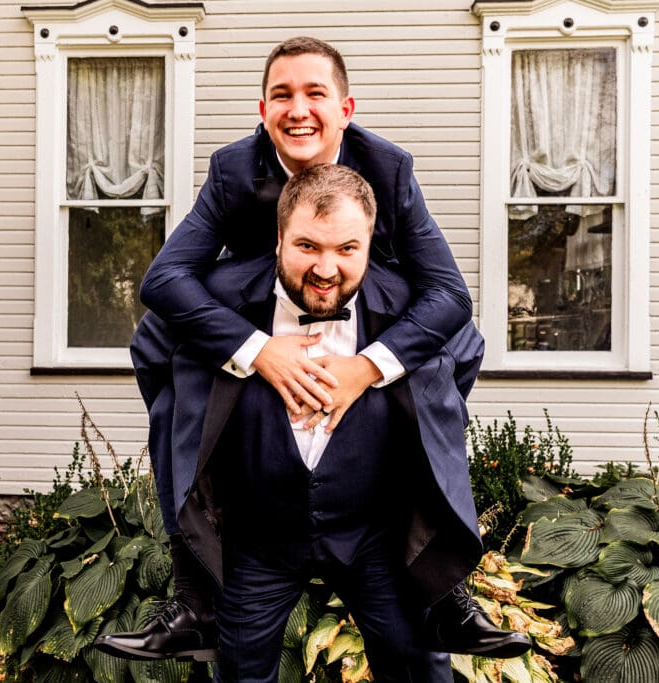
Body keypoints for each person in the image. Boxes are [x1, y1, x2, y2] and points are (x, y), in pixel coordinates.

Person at [95, 37, 529, 661]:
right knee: (162, 336)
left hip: (371, 297)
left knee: (451, 341)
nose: (298, 109)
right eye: (282, 96)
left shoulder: (389, 168)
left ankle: (447, 591)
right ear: (262, 109)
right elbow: (163, 279)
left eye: (314, 94)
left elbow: (448, 293)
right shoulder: (233, 169)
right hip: (262, 287)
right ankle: (195, 596)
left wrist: (367, 370)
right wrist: (258, 350)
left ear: (346, 108)